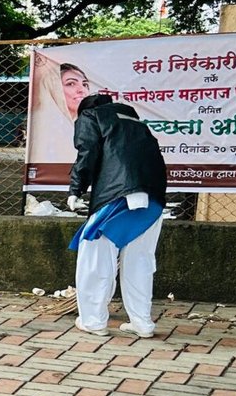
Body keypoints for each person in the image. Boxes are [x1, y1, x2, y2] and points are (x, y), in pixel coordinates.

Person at [67, 92, 168, 337]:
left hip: (117, 197)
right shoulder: (137, 124)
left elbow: (87, 152)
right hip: (153, 199)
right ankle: (142, 323)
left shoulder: (91, 116)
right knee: (140, 261)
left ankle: (93, 321)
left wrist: (75, 189)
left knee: (95, 256)